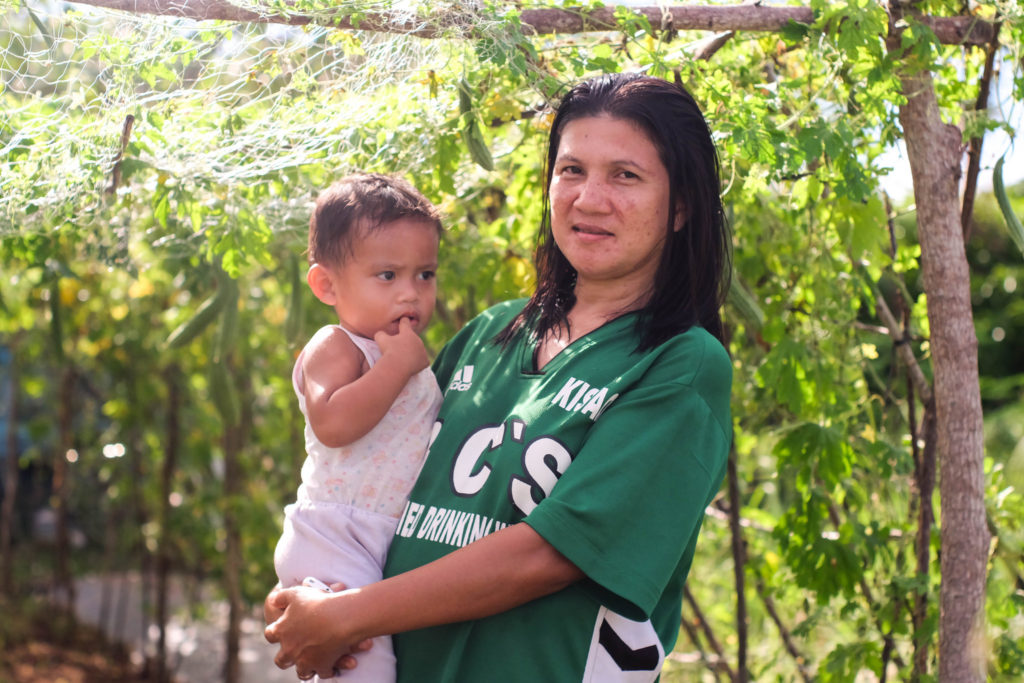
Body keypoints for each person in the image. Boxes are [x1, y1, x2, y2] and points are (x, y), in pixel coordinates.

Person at [266, 72, 732, 683]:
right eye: (571, 170)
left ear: (681, 207)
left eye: (626, 175)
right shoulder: (491, 333)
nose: (589, 199)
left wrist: (347, 617)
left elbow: (547, 556)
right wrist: (309, 595)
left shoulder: (679, 363)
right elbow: (374, 469)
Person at [272, 173, 444, 682]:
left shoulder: (404, 358)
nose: (409, 294)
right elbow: (333, 423)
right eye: (387, 276)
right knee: (366, 672)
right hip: (336, 534)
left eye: (426, 275)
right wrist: (395, 367)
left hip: (382, 536)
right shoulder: (337, 345)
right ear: (327, 285)